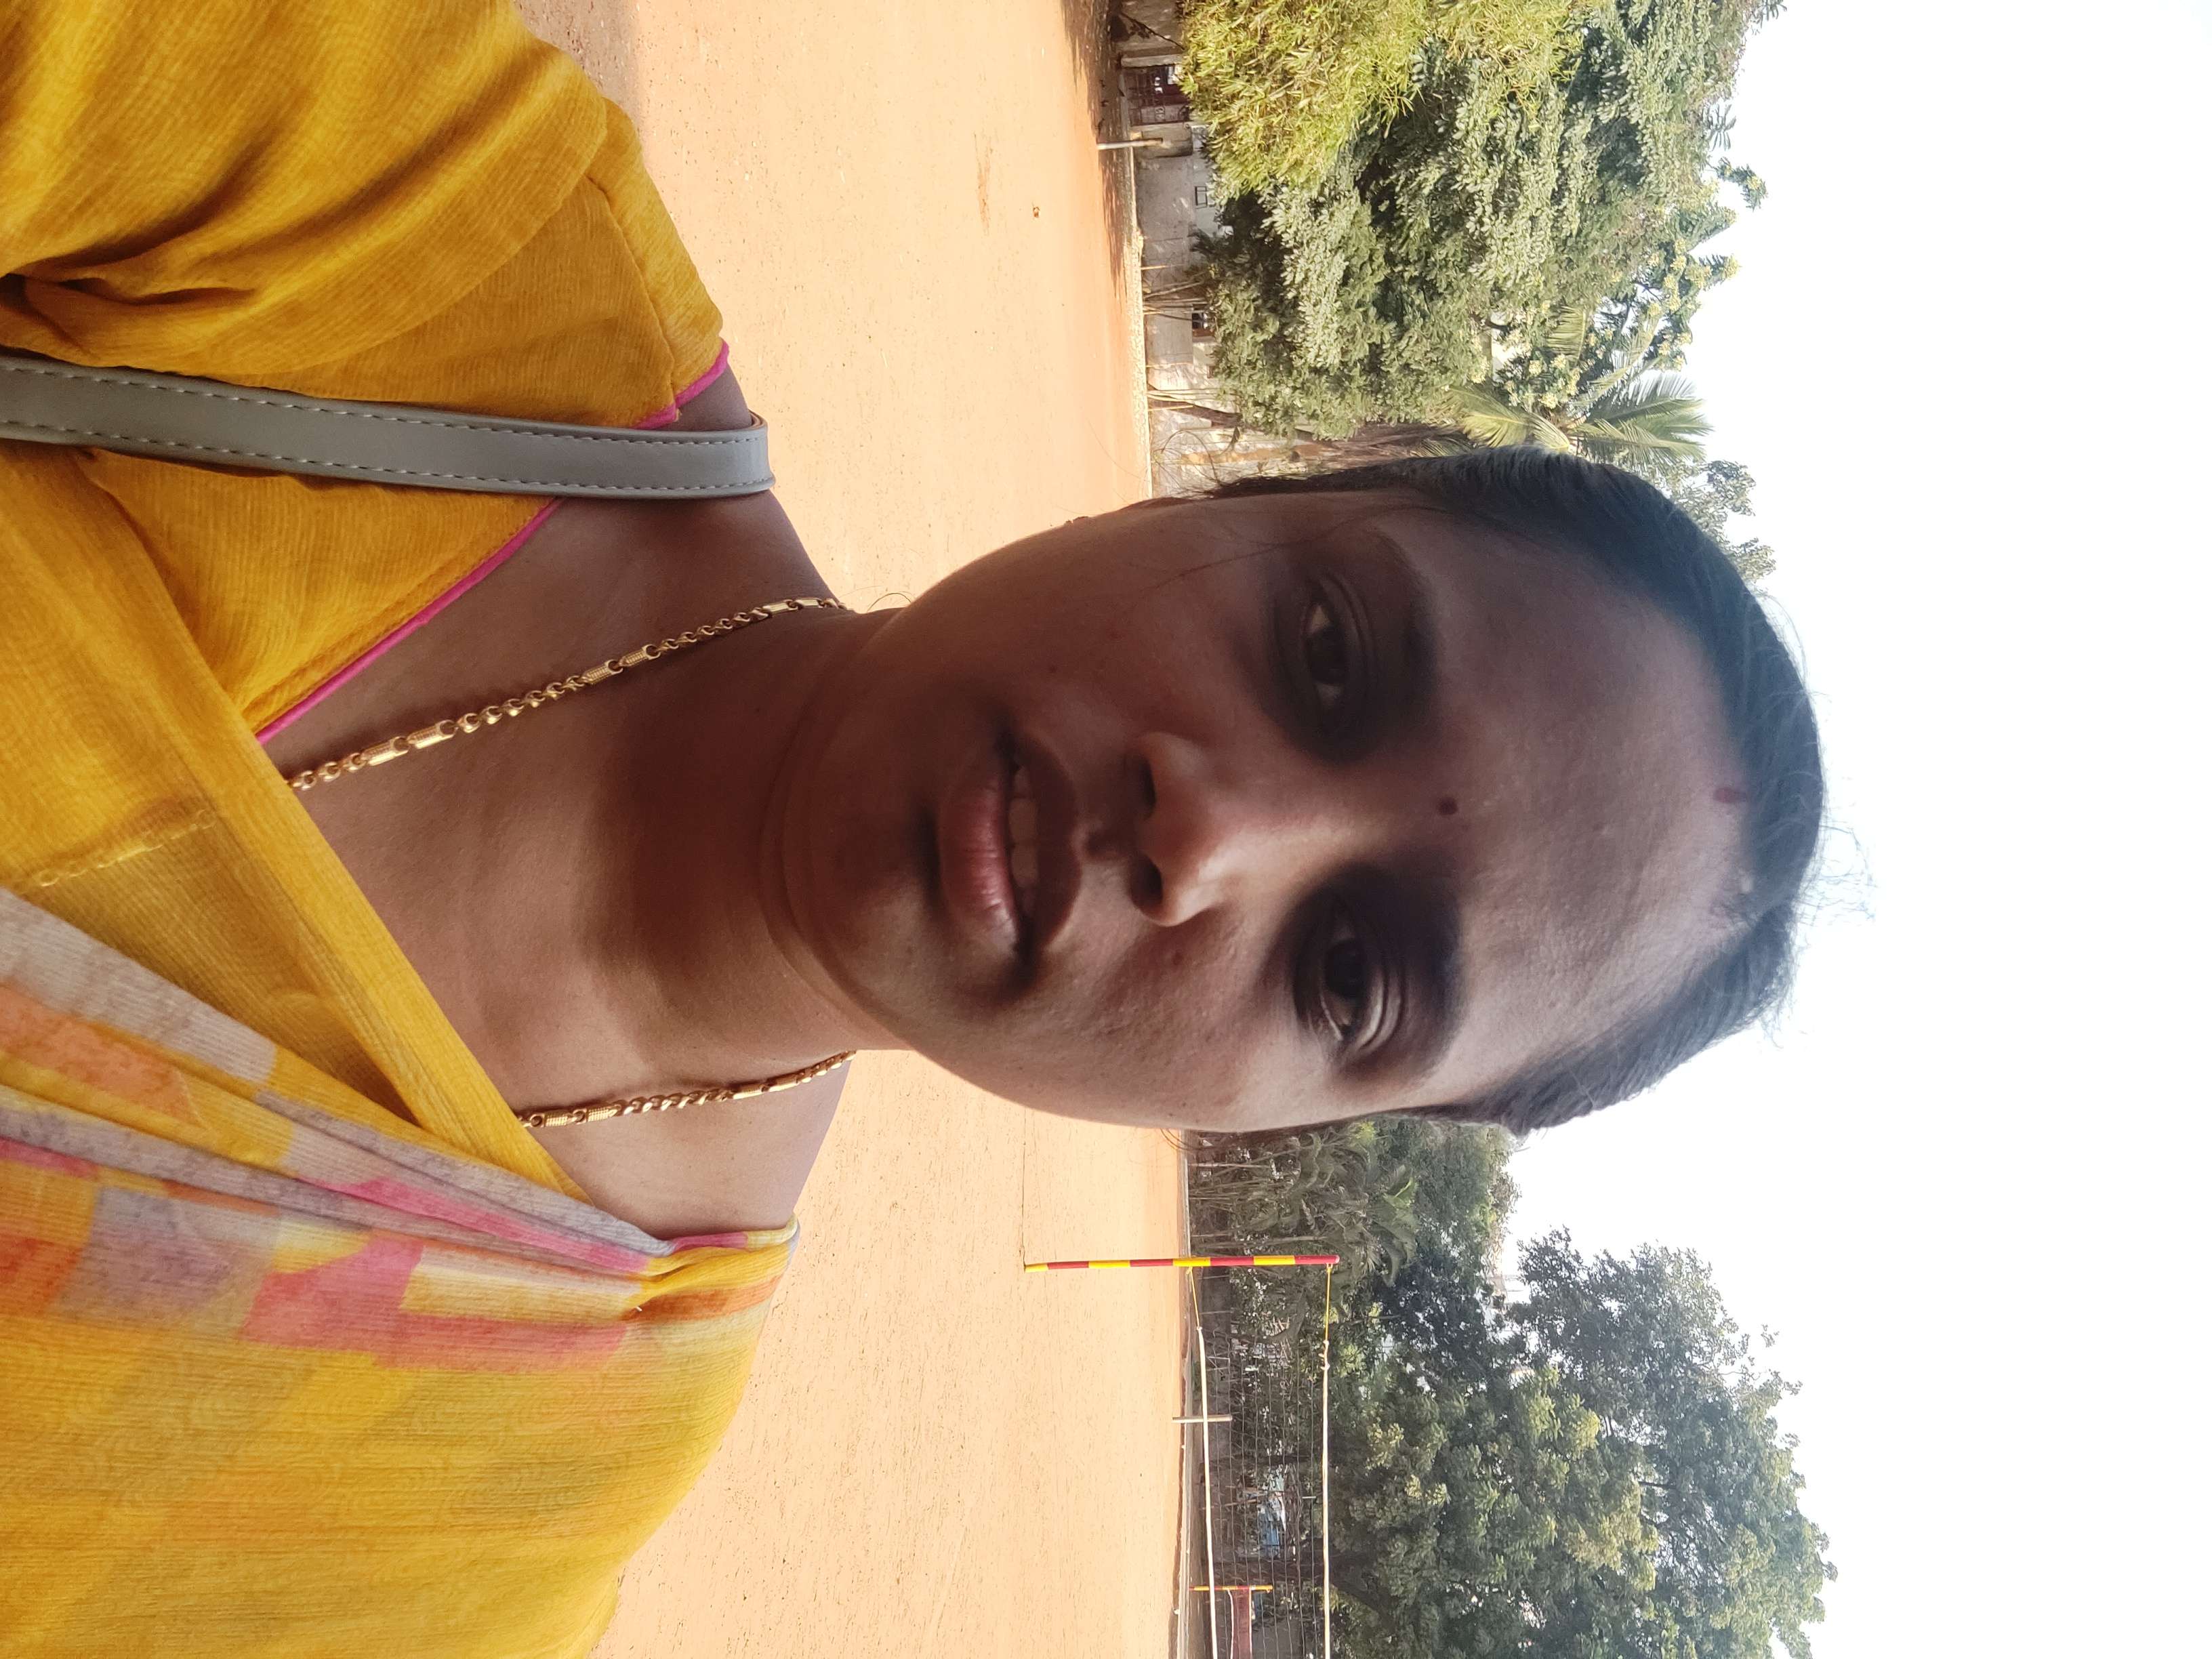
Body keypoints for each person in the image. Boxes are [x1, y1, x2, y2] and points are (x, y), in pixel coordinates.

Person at [0, 1, 1824, 1654]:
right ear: (1226, 502)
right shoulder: (449, 256)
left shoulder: (507, 1486)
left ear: (1284, 1119)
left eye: (1350, 975)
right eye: (1327, 653)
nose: (1210, 835)